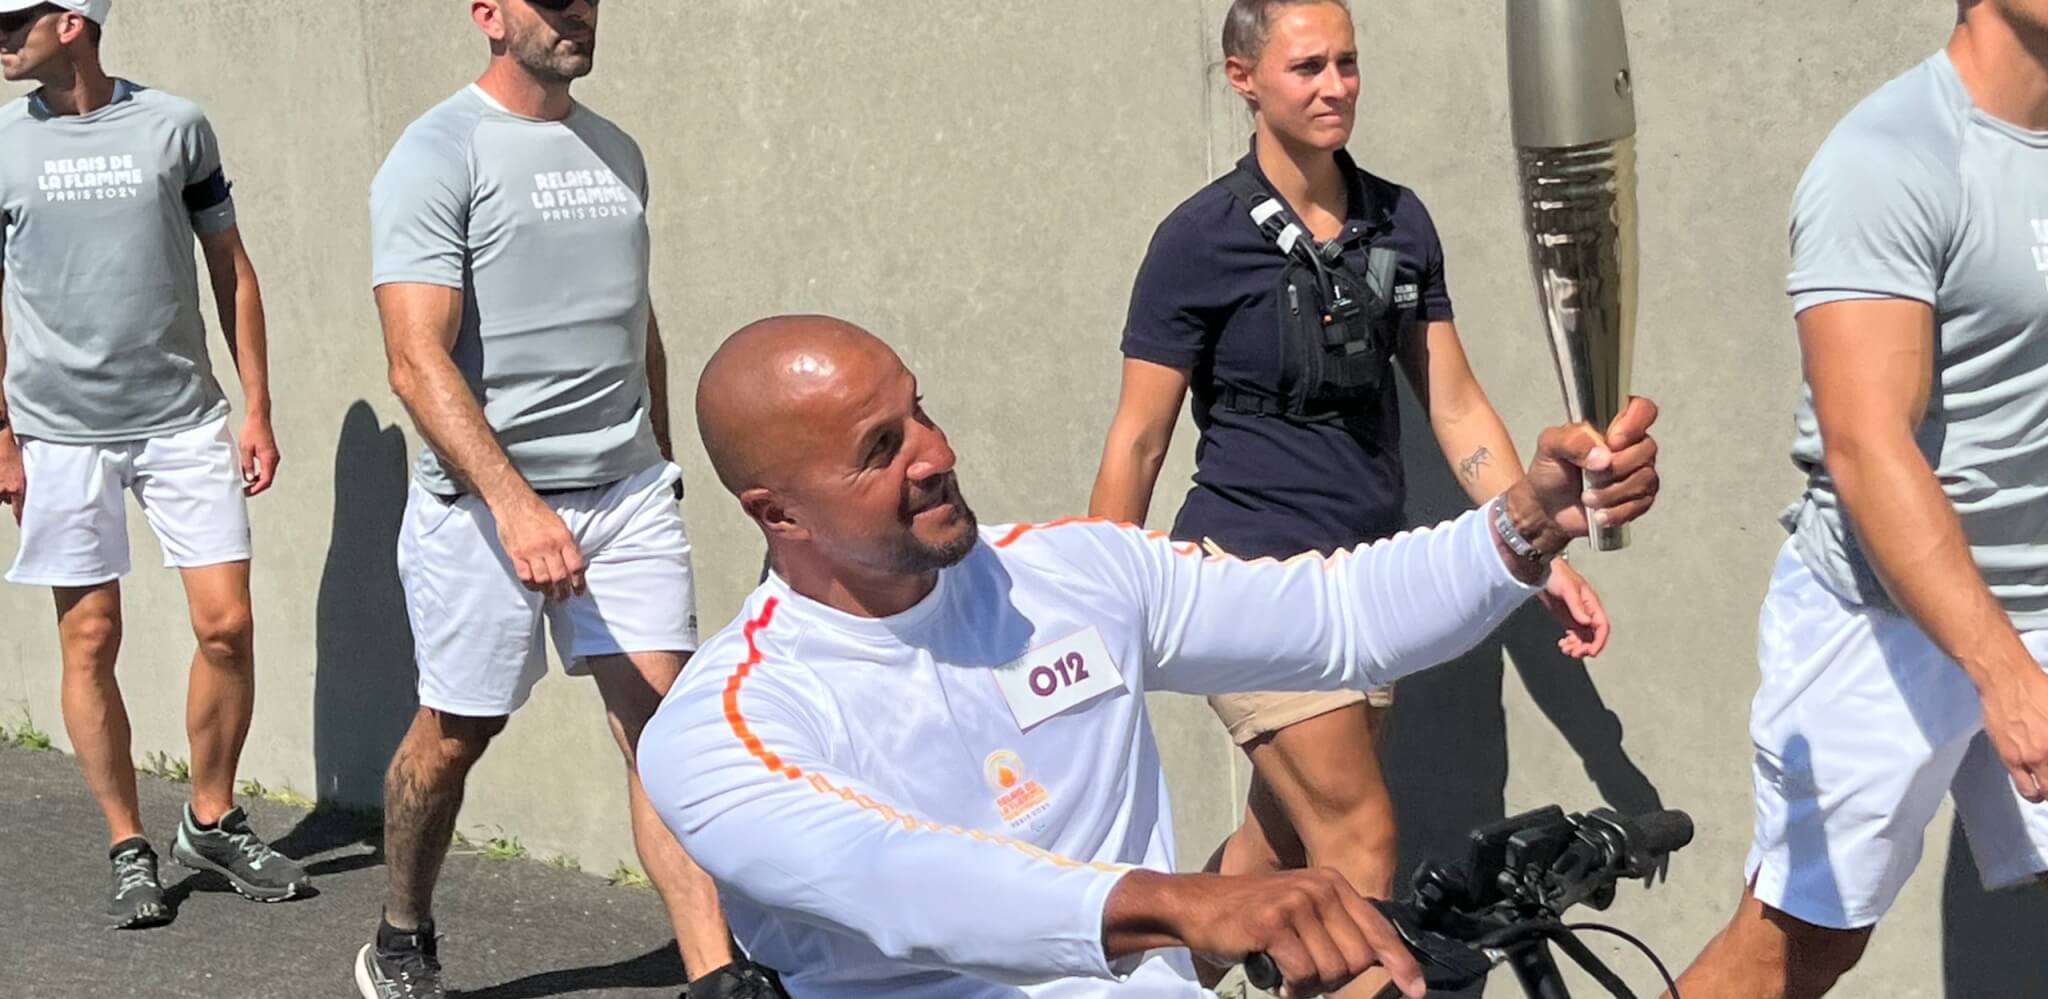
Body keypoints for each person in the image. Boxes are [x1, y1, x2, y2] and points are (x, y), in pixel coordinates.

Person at [639, 314, 1663, 998]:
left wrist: (1523, 524)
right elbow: (900, 880)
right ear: (776, 512)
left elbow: (1337, 616)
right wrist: (1184, 899)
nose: (934, 451)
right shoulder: (720, 726)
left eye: (920, 409)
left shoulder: (1074, 573)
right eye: (877, 447)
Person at [1088, 1, 1609, 983]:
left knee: (1271, 858)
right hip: (1241, 578)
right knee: (1359, 843)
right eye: (1306, 67)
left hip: (1361, 587)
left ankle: (1118, 982)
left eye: (1347, 63)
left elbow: (1453, 407)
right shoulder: (1196, 241)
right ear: (1243, 77)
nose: (1334, 86)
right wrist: (1091, 597)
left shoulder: (1398, 222)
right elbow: (1139, 437)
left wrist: (1529, 546)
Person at [356, 2, 778, 997]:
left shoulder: (615, 149)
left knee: (666, 727)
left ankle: (715, 972)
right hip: (481, 507)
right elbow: (416, 359)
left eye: (586, 0)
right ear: (489, 16)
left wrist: (663, 462)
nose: (576, 15)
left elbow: (638, 324)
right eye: (552, 3)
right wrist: (512, 503)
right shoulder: (436, 153)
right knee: (456, 737)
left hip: (622, 490)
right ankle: (401, 931)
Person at [1670, 3, 2048, 997]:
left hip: (2038, 592)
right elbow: (1864, 440)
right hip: (1882, 621)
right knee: (1799, 942)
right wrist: (1999, 667)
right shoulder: (1889, 155)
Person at [0, 0, 304, 929]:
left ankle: (210, 816)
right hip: (60, 434)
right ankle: (128, 843)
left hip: (181, 421)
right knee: (90, 638)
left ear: (74, 24)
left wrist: (256, 405)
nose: (1, 37)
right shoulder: (4, 145)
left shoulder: (176, 125)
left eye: (16, 21)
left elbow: (232, 268)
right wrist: (2, 435)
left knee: (227, 627)